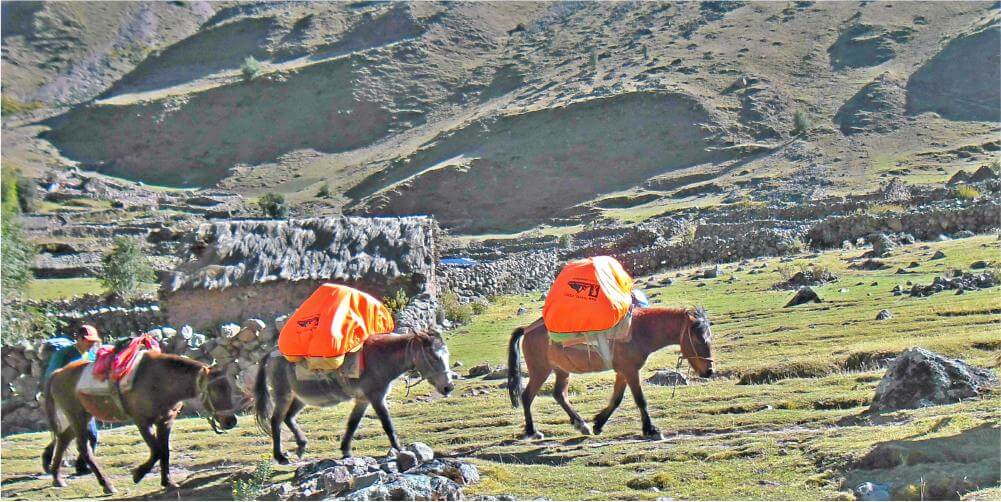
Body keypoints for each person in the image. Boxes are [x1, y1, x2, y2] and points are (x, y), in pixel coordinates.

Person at [42, 324, 102, 475]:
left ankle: (82, 465)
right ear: (80, 339)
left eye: (94, 341)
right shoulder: (63, 354)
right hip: (66, 400)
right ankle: (49, 457)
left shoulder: (91, 355)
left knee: (92, 435)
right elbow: (51, 376)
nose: (92, 344)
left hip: (85, 400)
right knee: (67, 433)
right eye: (89, 341)